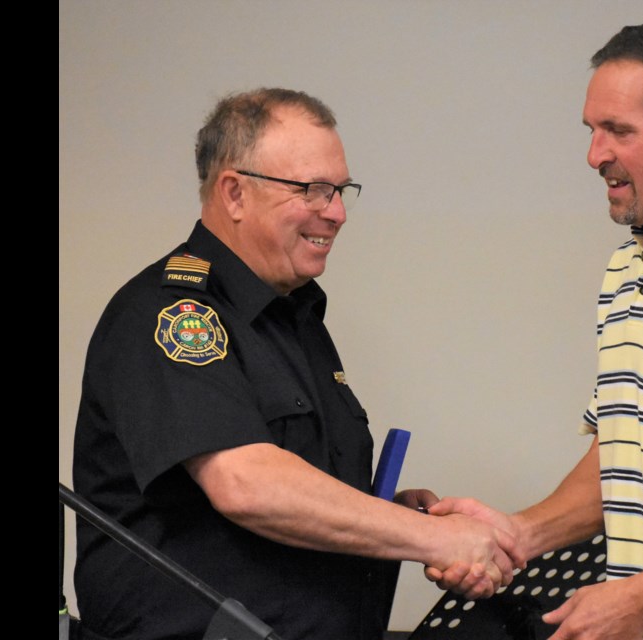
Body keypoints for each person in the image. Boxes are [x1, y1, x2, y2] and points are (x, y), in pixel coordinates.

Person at [71, 87, 520, 640]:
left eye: (340, 191)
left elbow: (303, 499)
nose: (336, 213)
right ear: (234, 193)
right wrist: (430, 540)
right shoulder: (172, 312)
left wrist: (404, 517)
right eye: (312, 190)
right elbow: (246, 483)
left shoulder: (296, 317)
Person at [426, 17, 643, 640]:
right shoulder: (626, 269)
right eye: (591, 129)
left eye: (618, 131)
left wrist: (642, 599)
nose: (594, 154)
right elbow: (628, 449)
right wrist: (515, 535)